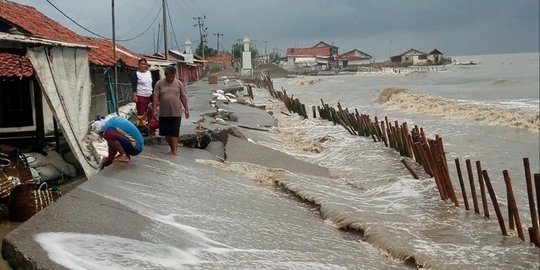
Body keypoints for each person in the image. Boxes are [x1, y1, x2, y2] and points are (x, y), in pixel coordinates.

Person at [152, 66, 189, 155]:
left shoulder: (179, 83)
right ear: (165, 75)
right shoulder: (159, 84)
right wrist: (154, 110)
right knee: (167, 134)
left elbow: (183, 96)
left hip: (176, 112)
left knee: (175, 132)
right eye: (170, 76)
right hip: (164, 113)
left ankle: (174, 151)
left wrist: (186, 109)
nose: (172, 78)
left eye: (173, 76)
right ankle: (173, 148)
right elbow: (155, 97)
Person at [131, 58, 154, 123]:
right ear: (138, 65)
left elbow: (152, 84)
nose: (142, 65)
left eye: (144, 64)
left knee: (150, 114)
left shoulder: (149, 73)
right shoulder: (136, 74)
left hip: (149, 96)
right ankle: (141, 130)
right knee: (141, 115)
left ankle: (151, 130)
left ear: (146, 65)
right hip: (141, 96)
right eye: (141, 64)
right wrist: (134, 95)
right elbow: (134, 85)